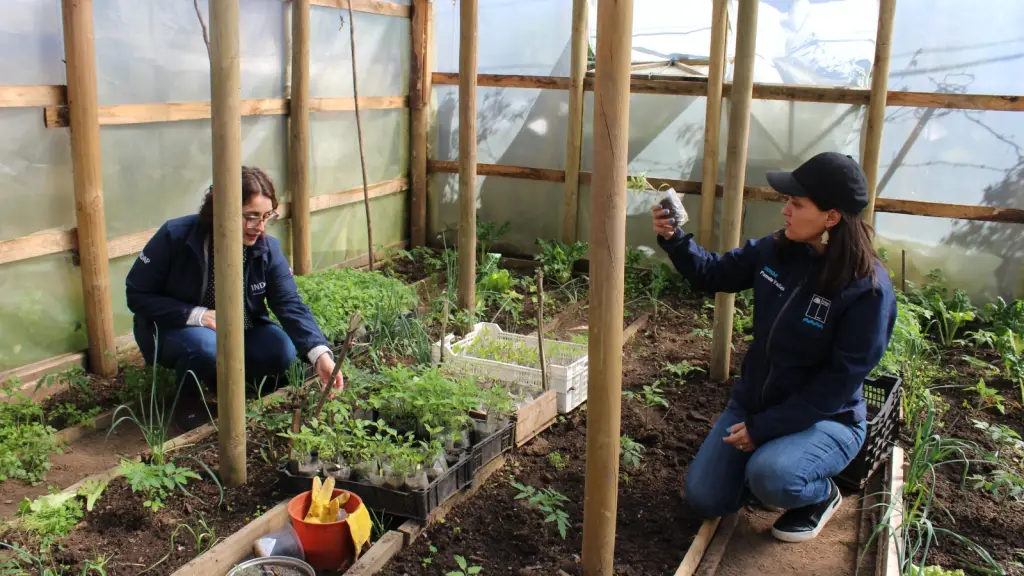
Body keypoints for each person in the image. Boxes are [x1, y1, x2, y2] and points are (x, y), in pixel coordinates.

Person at [651, 152, 897, 543]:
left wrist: (763, 429)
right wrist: (675, 240)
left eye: (796, 204)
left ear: (831, 217)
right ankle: (764, 473)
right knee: (705, 496)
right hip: (755, 403)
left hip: (826, 420)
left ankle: (819, 494)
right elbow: (715, 272)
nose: (785, 211)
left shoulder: (866, 290)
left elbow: (835, 385)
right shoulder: (778, 249)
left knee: (773, 476)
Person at [126, 166, 344, 431]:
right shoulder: (176, 236)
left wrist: (320, 354)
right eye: (251, 216)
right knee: (206, 346)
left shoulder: (267, 249)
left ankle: (227, 384)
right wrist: (197, 315)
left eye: (267, 216)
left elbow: (289, 304)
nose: (260, 227)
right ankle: (189, 400)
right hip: (173, 329)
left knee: (281, 350)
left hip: (237, 330)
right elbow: (137, 294)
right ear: (221, 207)